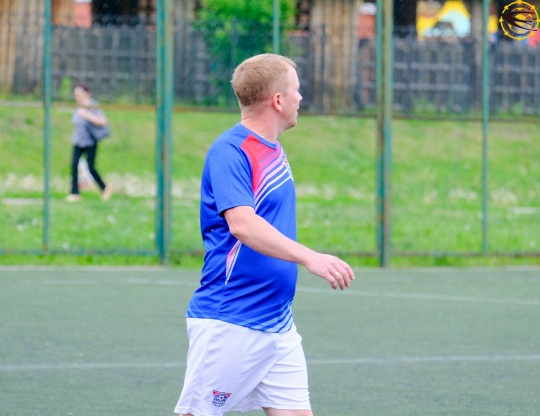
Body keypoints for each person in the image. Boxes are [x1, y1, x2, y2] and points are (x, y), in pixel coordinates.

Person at [174, 53, 356, 416]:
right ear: (277, 100)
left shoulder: (272, 148)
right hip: (232, 319)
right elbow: (242, 224)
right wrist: (309, 257)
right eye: (296, 89)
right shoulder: (231, 150)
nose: (300, 97)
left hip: (277, 322)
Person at [66, 83, 112, 202]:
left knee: (91, 167)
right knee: (74, 165)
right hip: (78, 141)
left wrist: (87, 115)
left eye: (79, 94)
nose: (77, 96)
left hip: (90, 142)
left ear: (86, 94)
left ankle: (104, 188)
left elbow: (103, 121)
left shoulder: (92, 105)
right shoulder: (78, 107)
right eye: (75, 94)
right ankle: (75, 193)